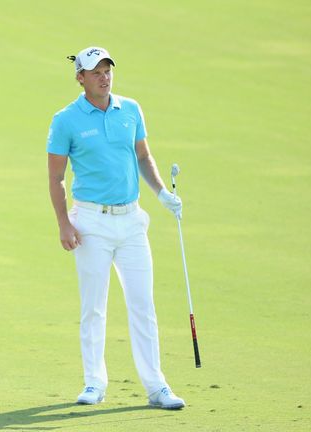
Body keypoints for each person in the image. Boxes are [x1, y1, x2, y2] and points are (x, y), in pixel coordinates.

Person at [46, 47, 186, 410]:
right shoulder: (66, 120)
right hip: (90, 222)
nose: (104, 76)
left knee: (143, 304)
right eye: (95, 71)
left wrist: (161, 194)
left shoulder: (131, 110)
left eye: (107, 70)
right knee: (94, 306)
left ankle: (157, 386)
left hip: (132, 220)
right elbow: (56, 177)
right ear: (80, 77)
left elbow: (143, 156)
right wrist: (64, 223)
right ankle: (94, 382)